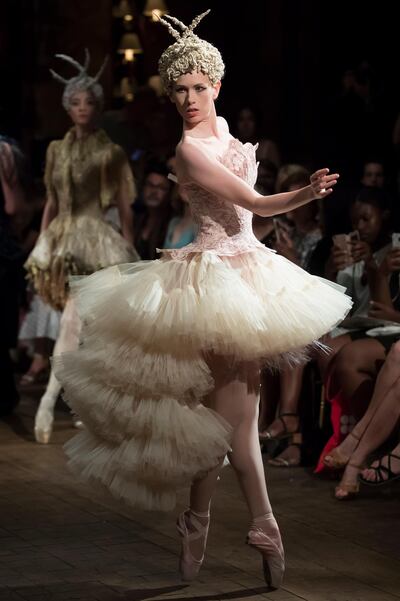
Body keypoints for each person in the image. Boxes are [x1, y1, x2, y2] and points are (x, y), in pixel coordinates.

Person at [53, 11, 351, 590]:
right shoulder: (190, 151)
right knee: (237, 427)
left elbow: (250, 222)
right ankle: (263, 523)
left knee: (228, 426)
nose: (188, 99)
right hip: (212, 284)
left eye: (197, 87)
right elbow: (259, 205)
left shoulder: (231, 140)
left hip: (246, 273)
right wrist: (307, 192)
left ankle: (198, 527)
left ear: (216, 86)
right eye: (179, 91)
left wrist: (272, 233)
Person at [25, 50, 139, 444]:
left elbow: (124, 207)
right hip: (62, 240)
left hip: (99, 243)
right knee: (77, 325)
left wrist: (129, 251)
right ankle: (74, 404)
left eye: (90, 102)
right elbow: (52, 202)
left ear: (99, 106)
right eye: (75, 103)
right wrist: (43, 241)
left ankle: (53, 400)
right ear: (67, 107)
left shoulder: (111, 153)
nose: (83, 109)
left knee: (84, 326)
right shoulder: (56, 150)